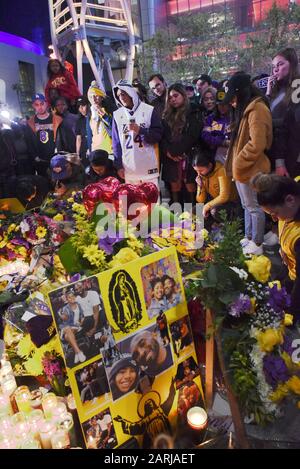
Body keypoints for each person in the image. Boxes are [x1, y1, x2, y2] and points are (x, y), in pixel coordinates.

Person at [223, 72, 272, 255]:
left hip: (252, 168)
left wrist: (238, 162)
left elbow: (257, 143)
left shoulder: (257, 109)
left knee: (254, 207)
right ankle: (250, 236)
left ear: (242, 93)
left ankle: (257, 242)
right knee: (247, 206)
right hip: (245, 168)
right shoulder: (247, 109)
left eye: (234, 98)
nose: (232, 103)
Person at [251, 173, 300, 321]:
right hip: (291, 272)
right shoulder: (293, 190)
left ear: (290, 200)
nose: (274, 219)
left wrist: (292, 312)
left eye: (275, 213)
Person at [112, 79, 163, 187]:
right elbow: (116, 143)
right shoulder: (117, 115)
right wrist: (118, 166)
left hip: (148, 165)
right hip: (129, 167)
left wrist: (141, 131)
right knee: (134, 202)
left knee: (153, 201)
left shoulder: (149, 110)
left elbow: (158, 135)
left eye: (123, 94)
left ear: (131, 93)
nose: (121, 97)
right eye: (118, 95)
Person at [160, 83, 201, 205]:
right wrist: (169, 152)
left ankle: (195, 219)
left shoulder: (194, 110)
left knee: (191, 186)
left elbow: (193, 135)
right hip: (171, 157)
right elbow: (162, 137)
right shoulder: (166, 115)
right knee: (175, 188)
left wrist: (177, 151)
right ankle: (177, 220)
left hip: (189, 154)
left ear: (183, 95)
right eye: (170, 98)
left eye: (176, 96)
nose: (173, 99)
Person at [266, 47, 300, 178]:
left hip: (291, 155)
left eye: (280, 64)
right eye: (274, 66)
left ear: (292, 64)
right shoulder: (277, 90)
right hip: (275, 151)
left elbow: (289, 124)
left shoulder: (297, 88)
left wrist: (269, 123)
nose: (275, 69)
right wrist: (268, 93)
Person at [114, 381, 175, 448]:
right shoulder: (145, 421)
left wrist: (172, 388)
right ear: (146, 409)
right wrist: (122, 421)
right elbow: (133, 427)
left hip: (165, 438)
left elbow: (170, 399)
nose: (149, 404)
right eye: (147, 404)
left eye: (150, 402)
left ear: (154, 404)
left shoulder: (161, 410)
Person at [192, 147, 238, 225]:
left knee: (215, 211)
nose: (199, 173)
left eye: (201, 170)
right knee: (195, 210)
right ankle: (209, 232)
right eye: (196, 171)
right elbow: (200, 200)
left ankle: (229, 228)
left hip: (230, 203)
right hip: (215, 202)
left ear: (209, 165)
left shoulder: (221, 170)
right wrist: (200, 186)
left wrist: (207, 206)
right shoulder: (202, 175)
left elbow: (224, 196)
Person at [27, 93, 63, 177]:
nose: (40, 107)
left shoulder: (57, 119)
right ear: (33, 106)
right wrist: (35, 156)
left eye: (42, 103)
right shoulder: (30, 123)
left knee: (58, 183)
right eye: (36, 104)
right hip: (40, 160)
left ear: (46, 103)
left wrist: (60, 154)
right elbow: (29, 142)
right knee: (43, 184)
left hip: (55, 159)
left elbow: (61, 139)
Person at [201, 88, 231, 164]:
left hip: (233, 155)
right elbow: (205, 136)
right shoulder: (211, 119)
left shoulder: (236, 118)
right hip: (215, 157)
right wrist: (221, 142)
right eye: (219, 104)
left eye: (225, 104)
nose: (222, 107)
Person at [58, 289, 86, 364]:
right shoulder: (65, 308)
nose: (72, 298)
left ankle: (77, 353)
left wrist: (81, 322)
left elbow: (82, 316)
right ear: (67, 300)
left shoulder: (78, 305)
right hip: (67, 326)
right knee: (67, 329)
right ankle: (79, 352)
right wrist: (62, 316)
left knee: (67, 336)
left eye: (73, 296)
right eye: (69, 297)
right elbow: (65, 318)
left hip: (76, 326)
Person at [87, 81, 113, 154]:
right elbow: (89, 135)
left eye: (96, 95)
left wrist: (104, 116)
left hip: (110, 149)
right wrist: (90, 150)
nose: (94, 98)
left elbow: (115, 127)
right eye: (91, 96)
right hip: (95, 150)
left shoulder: (109, 109)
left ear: (102, 97)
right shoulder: (90, 114)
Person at [75, 96, 92, 165]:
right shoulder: (79, 121)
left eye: (83, 105)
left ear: (89, 105)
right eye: (79, 106)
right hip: (84, 152)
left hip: (94, 149)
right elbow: (78, 138)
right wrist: (77, 153)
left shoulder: (94, 118)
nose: (81, 108)